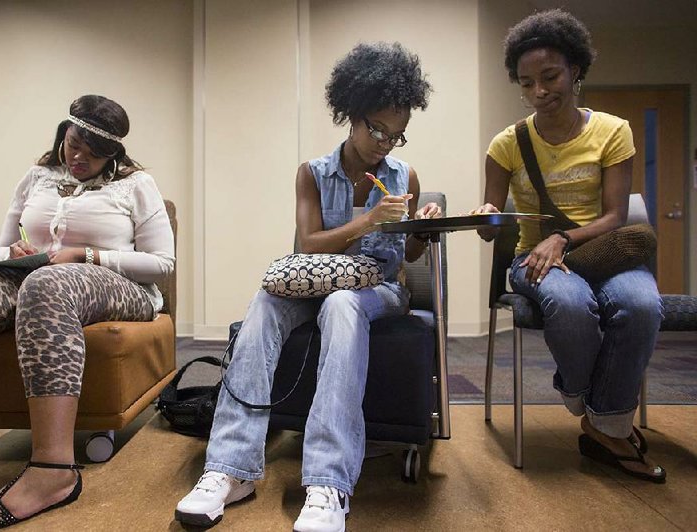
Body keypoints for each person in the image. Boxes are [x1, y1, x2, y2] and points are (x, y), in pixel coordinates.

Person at [175, 42, 439, 531]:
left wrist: (422, 227)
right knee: (265, 299)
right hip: (317, 279)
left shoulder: (405, 176)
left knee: (342, 304)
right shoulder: (313, 174)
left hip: (377, 289)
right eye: (376, 129)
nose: (384, 143)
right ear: (352, 114)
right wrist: (368, 221)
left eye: (396, 135)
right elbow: (309, 244)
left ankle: (329, 483)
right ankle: (229, 469)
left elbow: (411, 257)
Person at [0, 95, 175, 527]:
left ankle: (53, 472)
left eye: (93, 152)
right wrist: (12, 250)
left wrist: (86, 255)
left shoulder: (137, 185)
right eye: (72, 144)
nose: (78, 157)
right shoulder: (37, 177)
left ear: (113, 154)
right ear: (63, 134)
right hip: (35, 275)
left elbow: (162, 264)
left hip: (123, 287)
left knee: (48, 283)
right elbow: (0, 245)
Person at [472, 9, 665, 482]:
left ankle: (603, 423)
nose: (539, 91)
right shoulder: (507, 144)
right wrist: (485, 220)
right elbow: (491, 222)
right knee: (568, 301)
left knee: (643, 304)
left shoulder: (613, 131)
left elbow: (615, 216)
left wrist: (563, 238)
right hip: (532, 257)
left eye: (550, 76)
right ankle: (598, 411)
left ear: (576, 69)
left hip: (599, 251)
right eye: (526, 82)